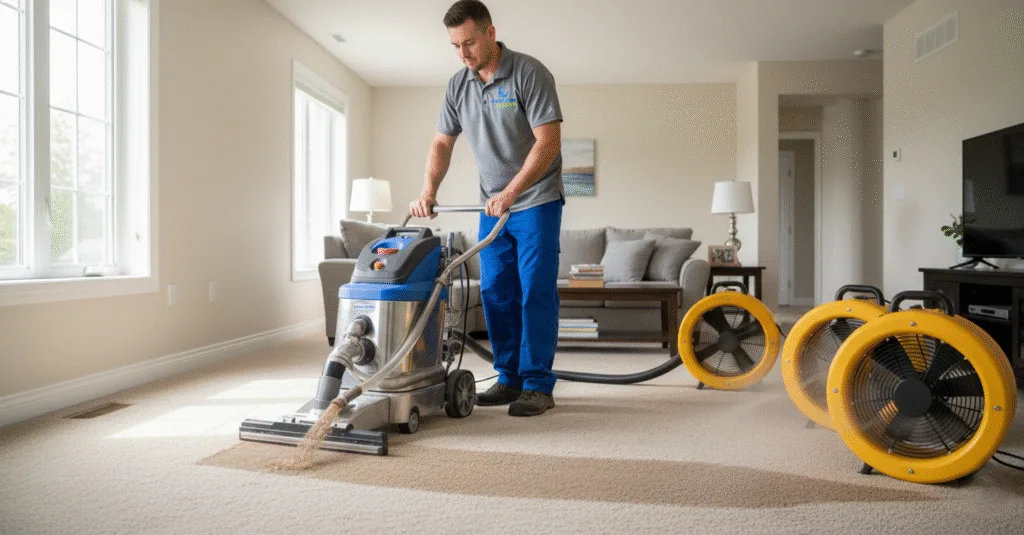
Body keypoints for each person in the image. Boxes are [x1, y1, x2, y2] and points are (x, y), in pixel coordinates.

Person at [409, 0, 564, 416]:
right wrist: (428, 190)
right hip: (492, 205)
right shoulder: (458, 86)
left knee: (535, 290)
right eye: (455, 46)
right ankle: (509, 378)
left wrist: (513, 191)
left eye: (470, 43)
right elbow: (441, 142)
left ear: (490, 34)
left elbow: (548, 141)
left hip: (536, 200)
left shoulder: (529, 72)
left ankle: (537, 384)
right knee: (495, 290)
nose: (463, 53)